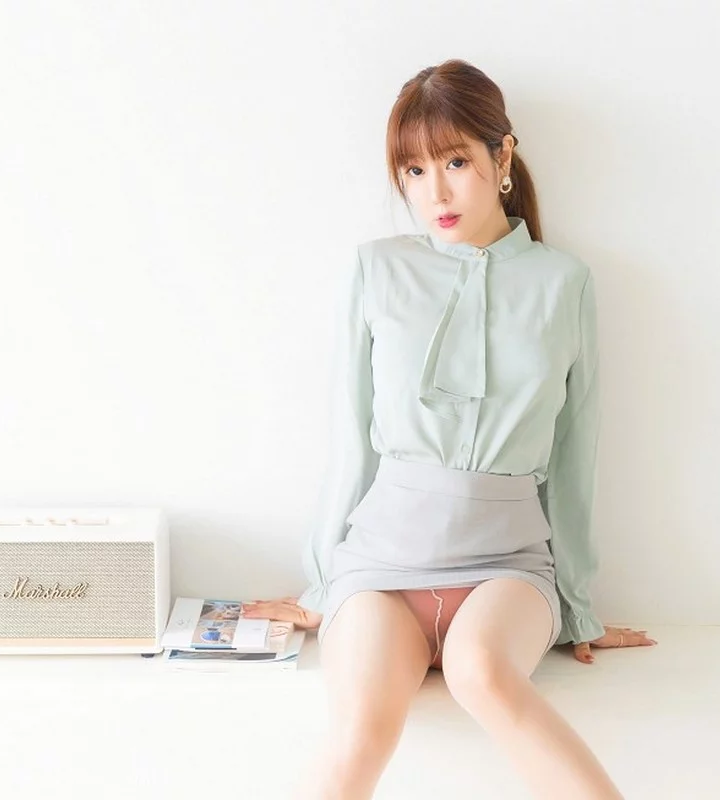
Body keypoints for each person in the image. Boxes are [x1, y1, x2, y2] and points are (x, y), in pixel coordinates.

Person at [241, 59, 655, 800]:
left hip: (507, 566)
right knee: (362, 729)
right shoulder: (376, 270)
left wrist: (578, 605)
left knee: (484, 675)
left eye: (455, 162)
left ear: (503, 156)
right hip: (379, 568)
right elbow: (350, 438)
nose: (434, 192)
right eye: (414, 170)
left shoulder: (564, 282)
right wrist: (322, 580)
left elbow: (574, 453)